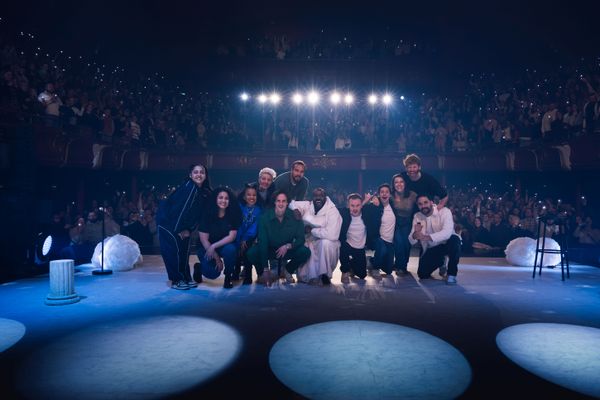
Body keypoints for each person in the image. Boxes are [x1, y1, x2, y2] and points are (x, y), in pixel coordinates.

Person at [156, 163, 211, 290]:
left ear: (205, 175)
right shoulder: (189, 187)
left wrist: (189, 229)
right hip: (168, 223)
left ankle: (186, 276)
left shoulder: (201, 191)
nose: (199, 174)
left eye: (201, 172)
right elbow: (180, 210)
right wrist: (180, 230)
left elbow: (197, 216)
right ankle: (176, 280)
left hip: (182, 225)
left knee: (184, 252)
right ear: (190, 175)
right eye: (195, 172)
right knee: (173, 252)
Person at [246, 190, 310, 286]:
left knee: (305, 252)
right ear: (274, 202)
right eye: (278, 201)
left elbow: (301, 239)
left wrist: (289, 246)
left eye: (283, 201)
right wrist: (265, 268)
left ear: (287, 202)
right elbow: (263, 242)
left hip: (287, 249)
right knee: (251, 253)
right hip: (270, 250)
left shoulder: (295, 216)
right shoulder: (265, 218)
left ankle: (288, 270)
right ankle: (261, 274)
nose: (281, 203)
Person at [290, 188, 342, 285]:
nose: (318, 198)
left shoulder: (332, 211)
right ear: (312, 197)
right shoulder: (308, 205)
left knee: (325, 243)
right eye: (315, 195)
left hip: (327, 244)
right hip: (309, 240)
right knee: (305, 246)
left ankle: (324, 275)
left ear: (325, 197)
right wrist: (295, 209)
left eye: (321, 196)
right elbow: (291, 202)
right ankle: (310, 276)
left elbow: (332, 234)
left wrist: (312, 231)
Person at [409, 194, 461, 284]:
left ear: (431, 202)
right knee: (423, 274)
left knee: (455, 240)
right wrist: (415, 234)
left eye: (425, 202)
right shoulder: (417, 216)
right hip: (432, 248)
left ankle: (451, 274)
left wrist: (426, 237)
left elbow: (447, 233)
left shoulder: (445, 211)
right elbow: (411, 240)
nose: (423, 206)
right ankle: (441, 262)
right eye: (420, 204)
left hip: (446, 244)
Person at [197, 187, 242, 289]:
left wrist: (214, 246)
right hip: (206, 246)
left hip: (222, 246)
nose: (223, 201)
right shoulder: (207, 214)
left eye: (226, 198)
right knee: (212, 273)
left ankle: (228, 277)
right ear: (215, 199)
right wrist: (217, 258)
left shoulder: (232, 214)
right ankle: (199, 268)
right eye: (220, 198)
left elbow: (232, 236)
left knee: (231, 249)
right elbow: (204, 239)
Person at [363, 184, 396, 278]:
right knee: (382, 248)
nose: (384, 194)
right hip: (377, 238)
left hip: (390, 241)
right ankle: (375, 268)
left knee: (389, 270)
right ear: (379, 194)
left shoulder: (393, 206)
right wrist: (367, 200)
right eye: (382, 192)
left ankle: (371, 260)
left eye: (387, 192)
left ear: (390, 194)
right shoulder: (375, 205)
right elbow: (362, 210)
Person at [234, 183, 262, 285]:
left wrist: (245, 238)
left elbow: (255, 226)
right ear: (244, 197)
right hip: (239, 235)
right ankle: (235, 271)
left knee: (246, 250)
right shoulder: (240, 208)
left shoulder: (259, 210)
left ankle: (248, 276)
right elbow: (238, 224)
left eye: (254, 195)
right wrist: (240, 238)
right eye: (249, 195)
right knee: (236, 250)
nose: (251, 197)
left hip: (250, 237)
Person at [338, 193, 369, 283]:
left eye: (358, 205)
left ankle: (352, 265)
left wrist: (367, 200)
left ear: (361, 205)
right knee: (342, 246)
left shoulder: (366, 214)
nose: (355, 208)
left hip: (359, 248)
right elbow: (331, 209)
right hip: (347, 245)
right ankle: (345, 271)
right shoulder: (344, 214)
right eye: (352, 205)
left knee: (362, 275)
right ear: (348, 205)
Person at [390, 174, 417, 275]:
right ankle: (400, 267)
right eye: (396, 182)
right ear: (393, 184)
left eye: (401, 182)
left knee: (406, 244)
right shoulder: (390, 195)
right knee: (399, 244)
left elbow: (421, 203)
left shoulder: (412, 195)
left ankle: (403, 265)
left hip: (408, 222)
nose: (399, 184)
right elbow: (380, 199)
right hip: (396, 223)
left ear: (405, 183)